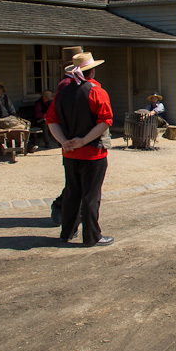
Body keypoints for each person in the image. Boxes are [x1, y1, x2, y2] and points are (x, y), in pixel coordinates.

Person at [45, 51, 114, 246]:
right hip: (93, 152)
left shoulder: (61, 92)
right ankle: (92, 236)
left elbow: (51, 120)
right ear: (91, 71)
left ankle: (67, 232)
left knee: (71, 193)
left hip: (69, 153)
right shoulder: (96, 91)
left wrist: (64, 141)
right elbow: (105, 121)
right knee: (91, 196)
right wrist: (83, 140)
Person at [49, 46, 84, 226]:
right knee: (74, 180)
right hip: (71, 135)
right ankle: (61, 206)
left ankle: (76, 212)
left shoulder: (79, 82)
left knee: (81, 179)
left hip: (80, 135)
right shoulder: (66, 85)